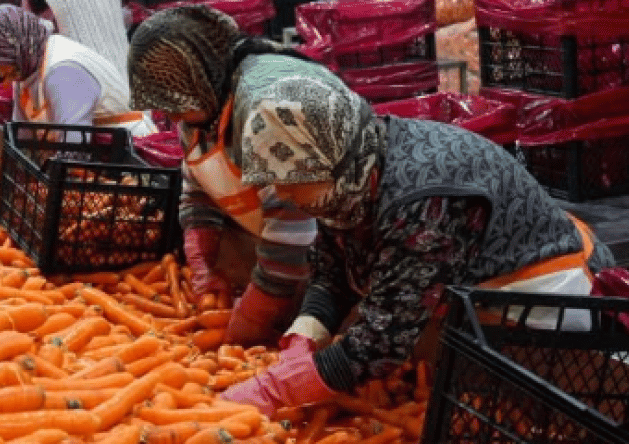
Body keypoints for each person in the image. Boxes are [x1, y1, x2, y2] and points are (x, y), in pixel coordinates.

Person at [216, 58, 615, 417]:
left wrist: (275, 392)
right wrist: (307, 331)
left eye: (291, 182)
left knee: (549, 411)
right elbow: (333, 268)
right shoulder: (350, 173)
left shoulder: (423, 202)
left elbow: (384, 340)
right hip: (475, 300)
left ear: (334, 164)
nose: (282, 194)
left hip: (543, 300)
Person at [128, 6, 319, 346]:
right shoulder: (200, 111)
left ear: (199, 75)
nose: (169, 114)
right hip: (288, 263)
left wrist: (256, 312)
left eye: (173, 100)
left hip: (336, 258)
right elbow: (198, 184)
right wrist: (202, 258)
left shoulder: (265, 109)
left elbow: (293, 227)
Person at [0, 5, 155, 136]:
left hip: (129, 150)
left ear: (19, 47)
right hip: (97, 153)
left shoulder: (62, 70)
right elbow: (23, 136)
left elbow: (74, 143)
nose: (0, 72)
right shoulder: (25, 69)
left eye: (2, 60)